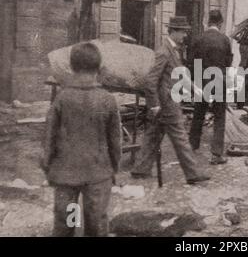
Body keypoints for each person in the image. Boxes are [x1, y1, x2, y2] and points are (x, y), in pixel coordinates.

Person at [41, 42, 122, 237]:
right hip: (98, 174)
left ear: (72, 67)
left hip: (65, 175)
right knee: (96, 225)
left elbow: (48, 138)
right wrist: (113, 168)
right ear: (98, 68)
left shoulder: (61, 98)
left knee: (66, 224)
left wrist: (48, 166)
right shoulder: (108, 100)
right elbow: (115, 142)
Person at [131, 16, 210, 185]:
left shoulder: (173, 50)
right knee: (180, 137)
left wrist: (196, 90)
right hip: (166, 104)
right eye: (182, 32)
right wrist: (155, 105)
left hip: (165, 102)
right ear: (173, 31)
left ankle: (140, 169)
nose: (185, 36)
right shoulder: (164, 52)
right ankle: (193, 173)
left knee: (153, 135)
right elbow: (151, 81)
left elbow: (179, 74)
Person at [189, 10, 233, 165]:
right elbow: (228, 63)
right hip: (219, 81)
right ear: (220, 23)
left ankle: (192, 147)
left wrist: (194, 82)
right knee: (220, 116)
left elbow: (191, 62)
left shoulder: (197, 39)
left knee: (198, 113)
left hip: (201, 81)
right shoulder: (225, 40)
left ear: (208, 22)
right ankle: (216, 154)